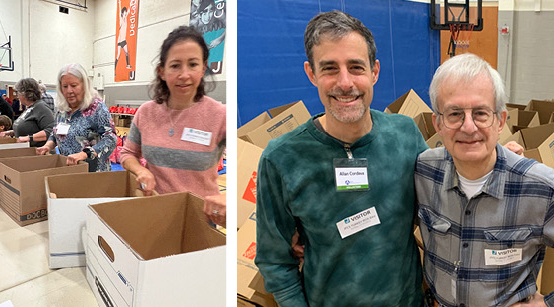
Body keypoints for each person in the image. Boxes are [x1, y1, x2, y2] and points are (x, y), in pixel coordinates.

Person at [253, 11, 426, 306]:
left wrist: (498, 159)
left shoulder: (405, 136)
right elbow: (275, 261)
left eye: (356, 67)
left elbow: (446, 195)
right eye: (330, 68)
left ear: (375, 71)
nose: (345, 83)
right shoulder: (281, 159)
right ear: (311, 73)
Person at [408, 53, 554, 307]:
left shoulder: (541, 188)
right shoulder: (423, 172)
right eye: (454, 114)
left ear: (500, 121)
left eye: (481, 113)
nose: (468, 127)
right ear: (437, 123)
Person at [120, 26, 228, 224]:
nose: (184, 74)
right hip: (156, 213)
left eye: (193, 64)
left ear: (203, 68)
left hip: (200, 220)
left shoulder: (220, 115)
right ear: (162, 71)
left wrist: (229, 198)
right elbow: (127, 153)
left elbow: (249, 163)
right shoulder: (145, 113)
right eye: (175, 65)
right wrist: (142, 171)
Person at [2, 78, 59, 149]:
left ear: (24, 94)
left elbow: (51, 131)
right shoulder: (29, 108)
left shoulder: (41, 107)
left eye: (18, 93)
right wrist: (12, 132)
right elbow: (30, 127)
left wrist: (29, 138)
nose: (17, 96)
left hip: (38, 152)